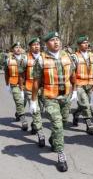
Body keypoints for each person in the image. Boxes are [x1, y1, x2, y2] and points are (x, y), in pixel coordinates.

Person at [31, 31, 77, 172]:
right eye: (52, 40)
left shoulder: (68, 56)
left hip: (66, 97)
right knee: (57, 125)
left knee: (63, 123)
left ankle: (53, 139)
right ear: (46, 44)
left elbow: (73, 75)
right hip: (50, 98)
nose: (56, 42)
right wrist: (33, 101)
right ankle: (60, 155)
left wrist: (74, 90)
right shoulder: (41, 60)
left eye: (58, 39)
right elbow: (36, 81)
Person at [19, 37, 45, 146]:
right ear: (30, 47)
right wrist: (21, 88)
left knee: (41, 109)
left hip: (43, 89)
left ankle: (35, 125)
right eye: (34, 45)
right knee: (36, 111)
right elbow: (21, 74)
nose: (36, 46)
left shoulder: (45, 57)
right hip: (29, 88)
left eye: (38, 44)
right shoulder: (25, 58)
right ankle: (40, 133)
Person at [71, 35, 93, 135]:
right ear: (78, 45)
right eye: (83, 43)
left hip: (90, 84)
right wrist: (73, 89)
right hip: (79, 85)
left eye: (87, 43)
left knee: (85, 104)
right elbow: (72, 73)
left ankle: (76, 114)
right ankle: (89, 124)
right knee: (85, 105)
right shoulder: (74, 57)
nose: (86, 44)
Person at [4, 42, 28, 131]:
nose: (18, 49)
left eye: (19, 47)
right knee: (19, 101)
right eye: (16, 47)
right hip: (14, 85)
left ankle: (18, 113)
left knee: (24, 101)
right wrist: (7, 85)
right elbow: (6, 73)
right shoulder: (8, 60)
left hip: (25, 84)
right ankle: (23, 119)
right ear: (12, 50)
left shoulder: (26, 58)